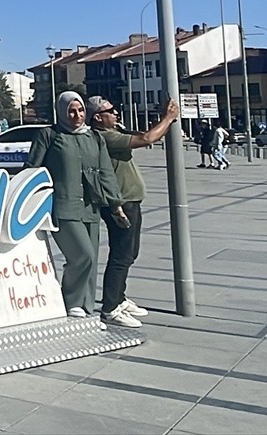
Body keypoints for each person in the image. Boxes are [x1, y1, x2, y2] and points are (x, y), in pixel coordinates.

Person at [24, 91, 127, 318]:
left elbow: (106, 173)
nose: (76, 115)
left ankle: (86, 306)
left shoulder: (94, 138)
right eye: (71, 111)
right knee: (83, 255)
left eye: (80, 110)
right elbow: (32, 169)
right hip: (63, 205)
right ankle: (70, 300)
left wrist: (115, 203)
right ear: (61, 112)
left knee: (92, 261)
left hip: (91, 206)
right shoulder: (49, 135)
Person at [86, 95, 179, 328]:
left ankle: (119, 297)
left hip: (130, 200)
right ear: (98, 117)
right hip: (120, 203)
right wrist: (168, 118)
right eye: (111, 110)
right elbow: (148, 138)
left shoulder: (115, 130)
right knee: (121, 255)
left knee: (130, 252)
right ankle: (110, 307)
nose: (116, 113)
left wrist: (162, 119)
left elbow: (144, 134)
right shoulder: (104, 136)